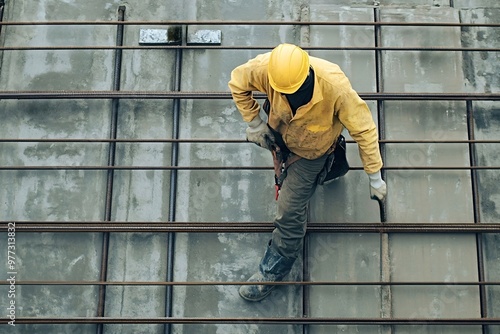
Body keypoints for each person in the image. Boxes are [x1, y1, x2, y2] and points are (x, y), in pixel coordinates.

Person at [228, 43, 387, 302]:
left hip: (312, 152)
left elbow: (365, 130)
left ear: (307, 76)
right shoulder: (268, 70)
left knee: (289, 210)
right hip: (279, 132)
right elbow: (237, 82)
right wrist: (256, 124)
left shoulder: (335, 88)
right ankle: (329, 168)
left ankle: (274, 269)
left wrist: (374, 175)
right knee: (292, 194)